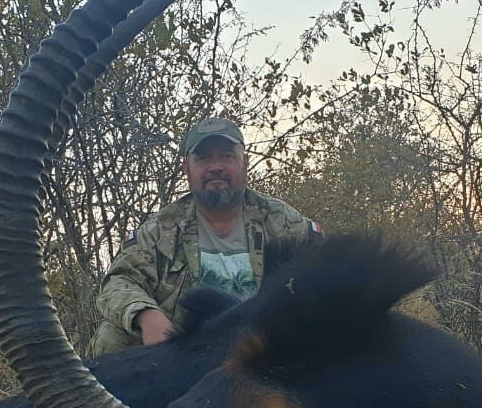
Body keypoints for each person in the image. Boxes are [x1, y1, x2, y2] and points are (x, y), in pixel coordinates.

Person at [90, 116, 322, 356]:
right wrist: (147, 316)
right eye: (204, 158)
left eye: (226, 156)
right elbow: (118, 282)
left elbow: (328, 271)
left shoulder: (284, 221)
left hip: (266, 351)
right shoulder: (160, 229)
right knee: (112, 336)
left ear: (245, 163)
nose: (216, 167)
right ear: (187, 169)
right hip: (187, 353)